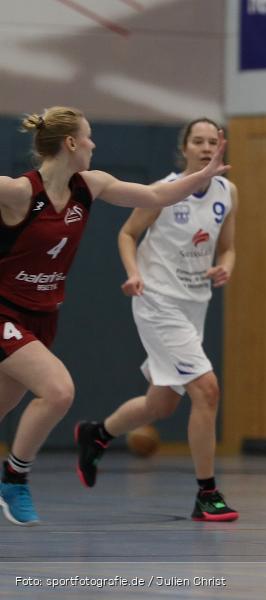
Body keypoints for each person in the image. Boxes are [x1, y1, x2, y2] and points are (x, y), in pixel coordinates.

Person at [0, 106, 228, 526]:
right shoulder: (18, 191)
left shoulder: (91, 184)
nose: (93, 144)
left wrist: (205, 174)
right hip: (5, 311)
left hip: (43, 316)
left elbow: (157, 196)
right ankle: (14, 479)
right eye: (88, 137)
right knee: (58, 391)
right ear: (70, 143)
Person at [74, 118, 238, 522]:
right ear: (184, 148)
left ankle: (97, 433)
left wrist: (225, 266)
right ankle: (207, 493)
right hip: (157, 300)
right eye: (196, 141)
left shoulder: (228, 192)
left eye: (211, 141)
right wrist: (133, 273)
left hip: (194, 304)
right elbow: (127, 234)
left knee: (160, 403)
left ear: (222, 147)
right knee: (207, 390)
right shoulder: (163, 192)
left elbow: (229, 247)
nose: (204, 147)